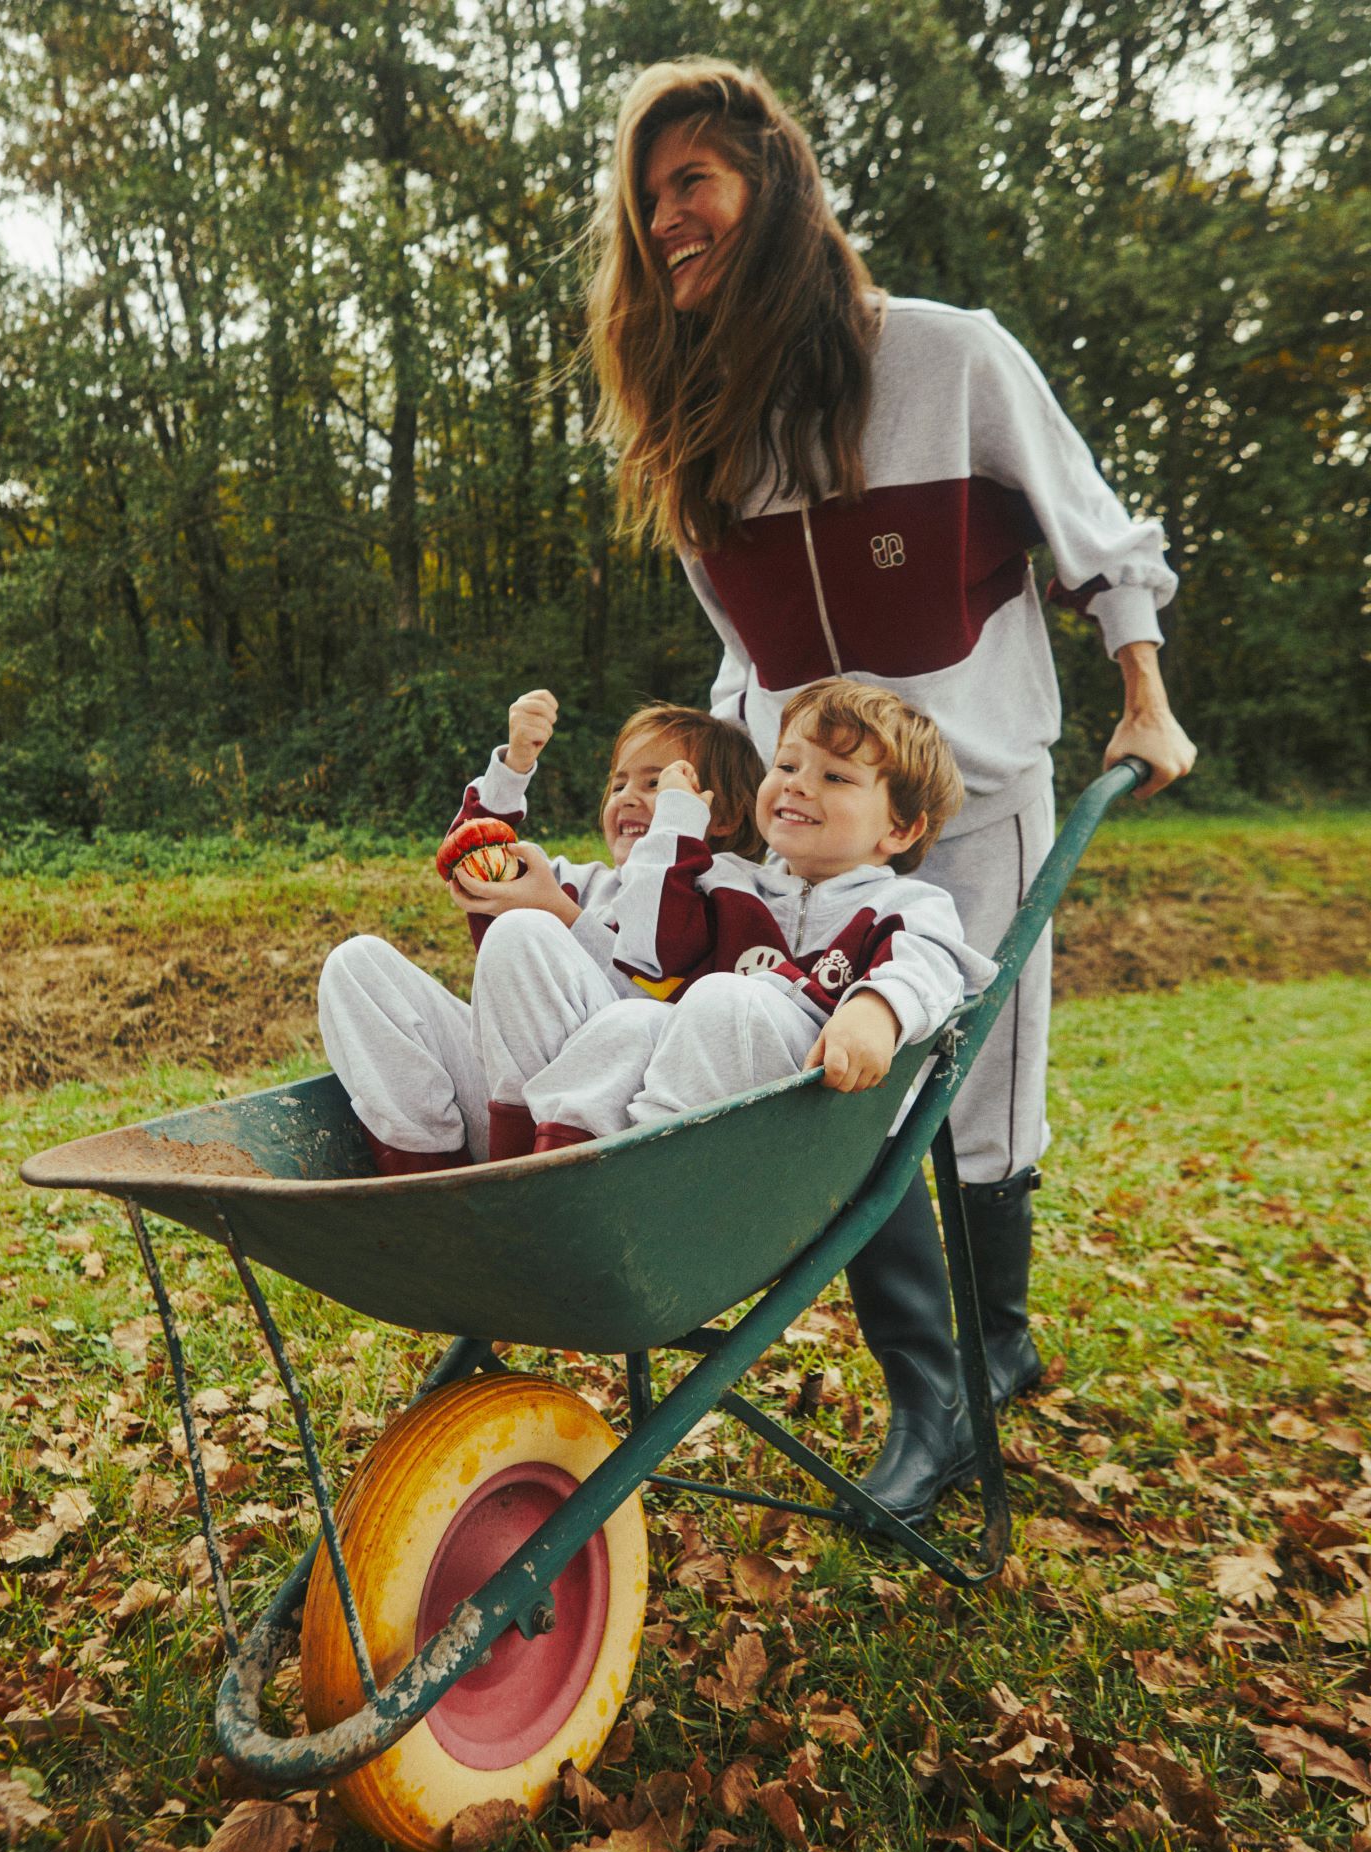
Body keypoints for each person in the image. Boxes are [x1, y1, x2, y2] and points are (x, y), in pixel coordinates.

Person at [585, 57, 1197, 1523]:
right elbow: (744, 660)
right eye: (646, 198)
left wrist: (1146, 699)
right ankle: (939, 1393)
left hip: (972, 806)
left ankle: (991, 1352)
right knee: (840, 1090)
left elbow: (1099, 540)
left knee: (974, 1099)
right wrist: (718, 789)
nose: (664, 220)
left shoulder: (947, 360)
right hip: (810, 832)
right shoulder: (701, 436)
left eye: (692, 182)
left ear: (773, 188)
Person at [521, 682, 996, 1195]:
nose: (797, 785)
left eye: (835, 776)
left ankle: (647, 1181)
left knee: (726, 994)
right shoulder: (727, 881)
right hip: (718, 1099)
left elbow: (929, 964)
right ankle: (556, 1183)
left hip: (823, 1111)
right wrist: (674, 827)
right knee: (630, 1021)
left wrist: (877, 1008)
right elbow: (649, 948)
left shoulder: (906, 905)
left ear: (900, 830)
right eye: (787, 765)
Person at [317, 691, 765, 1173]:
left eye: (658, 783)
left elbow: (667, 1004)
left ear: (722, 815)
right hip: (508, 1113)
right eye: (618, 784)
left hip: (609, 1128)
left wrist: (562, 914)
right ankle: (429, 1185)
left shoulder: (729, 897)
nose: (628, 796)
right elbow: (471, 858)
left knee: (525, 929)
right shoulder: (584, 883)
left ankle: (517, 1191)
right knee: (355, 964)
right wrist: (514, 768)